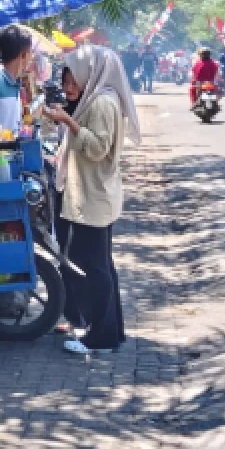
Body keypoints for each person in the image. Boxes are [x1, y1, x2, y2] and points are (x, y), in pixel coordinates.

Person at [43, 45, 139, 355]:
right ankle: (110, 330)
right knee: (99, 264)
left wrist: (68, 122)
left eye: (74, 82)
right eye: (66, 82)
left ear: (89, 75)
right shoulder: (95, 99)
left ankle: (101, 336)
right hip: (94, 193)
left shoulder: (102, 103)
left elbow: (97, 148)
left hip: (95, 195)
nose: (69, 88)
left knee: (94, 265)